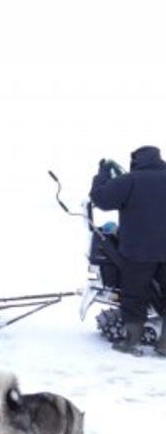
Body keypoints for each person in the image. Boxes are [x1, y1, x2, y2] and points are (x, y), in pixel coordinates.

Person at [91, 145, 166, 356]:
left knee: (134, 296)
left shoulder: (129, 181)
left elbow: (101, 198)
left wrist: (102, 174)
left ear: (135, 161)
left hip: (138, 251)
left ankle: (131, 342)